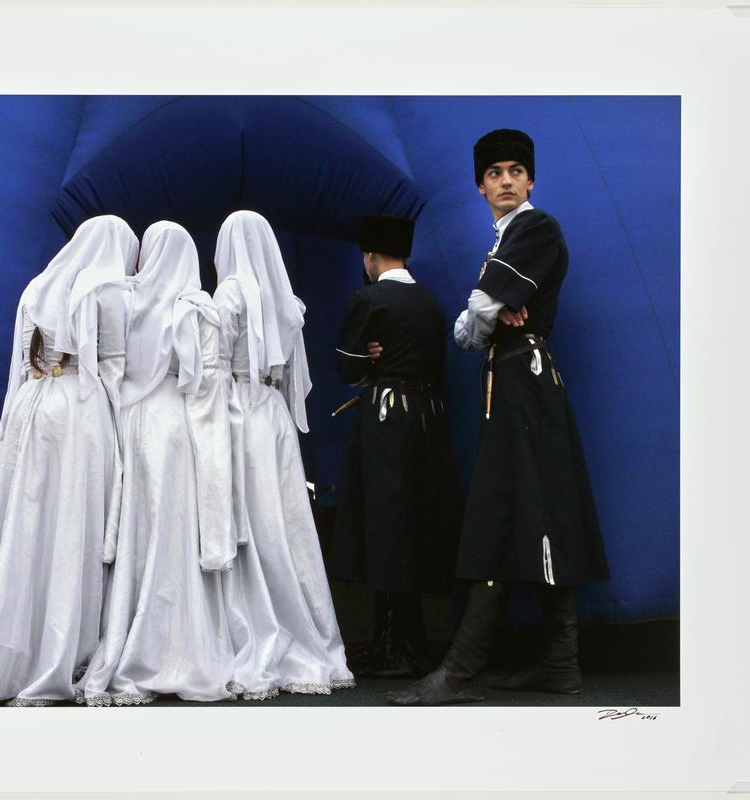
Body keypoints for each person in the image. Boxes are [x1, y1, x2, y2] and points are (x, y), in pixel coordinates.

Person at [387, 128, 610, 706]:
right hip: (518, 380)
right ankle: (559, 663)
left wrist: (482, 315)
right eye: (494, 173)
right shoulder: (509, 239)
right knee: (534, 508)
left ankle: (463, 670)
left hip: (525, 381)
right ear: (480, 185)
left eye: (515, 170)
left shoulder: (534, 227)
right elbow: (489, 309)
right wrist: (488, 312)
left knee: (501, 509)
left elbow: (479, 312)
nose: (506, 180)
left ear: (530, 179)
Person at [0, 215, 139, 706]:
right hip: (79, 412)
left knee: (22, 525)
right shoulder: (105, 291)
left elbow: (19, 364)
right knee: (71, 525)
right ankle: (63, 651)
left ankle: (4, 647)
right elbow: (118, 369)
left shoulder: (37, 286)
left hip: (32, 404)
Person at [76, 220, 237, 706]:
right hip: (174, 426)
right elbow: (203, 384)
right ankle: (177, 640)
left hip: (128, 421)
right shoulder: (195, 307)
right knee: (172, 532)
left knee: (134, 536)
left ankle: (125, 636)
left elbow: (109, 367)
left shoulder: (122, 299)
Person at [213, 210, 355, 697]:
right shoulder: (287, 302)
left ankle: (247, 632)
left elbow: (212, 367)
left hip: (238, 412)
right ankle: (308, 629)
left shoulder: (229, 294)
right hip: (274, 416)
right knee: (285, 524)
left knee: (248, 523)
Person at [330, 214, 462, 678]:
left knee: (385, 526)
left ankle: (391, 644)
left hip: (384, 419)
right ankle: (408, 639)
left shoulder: (367, 299)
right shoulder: (430, 303)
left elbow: (346, 368)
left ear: (369, 256)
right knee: (413, 522)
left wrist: (367, 357)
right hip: (427, 418)